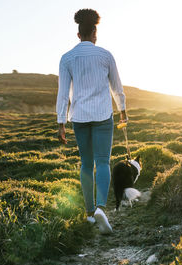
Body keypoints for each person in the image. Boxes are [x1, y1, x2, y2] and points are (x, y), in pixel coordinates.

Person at [56, 8, 127, 234]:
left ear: (79, 34)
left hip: (80, 118)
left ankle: (88, 214)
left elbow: (63, 92)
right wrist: (123, 110)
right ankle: (101, 209)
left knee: (86, 163)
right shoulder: (105, 55)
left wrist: (61, 122)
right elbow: (116, 87)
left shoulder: (67, 58)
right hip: (103, 115)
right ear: (95, 33)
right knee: (103, 161)